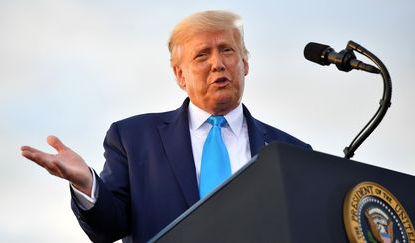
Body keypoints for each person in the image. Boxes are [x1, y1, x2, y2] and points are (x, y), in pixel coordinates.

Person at [21, 10, 311, 243]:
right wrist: (86, 184)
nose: (218, 64)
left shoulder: (293, 152)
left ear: (245, 64)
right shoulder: (132, 139)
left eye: (227, 50)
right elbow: (108, 229)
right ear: (179, 75)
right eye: (202, 55)